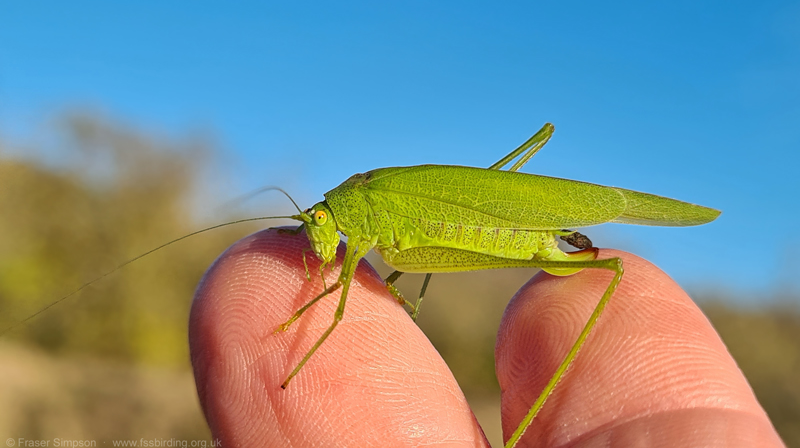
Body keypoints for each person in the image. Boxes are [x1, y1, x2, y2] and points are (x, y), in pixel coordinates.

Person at [189, 229, 784, 447]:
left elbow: (342, 311)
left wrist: (294, 324)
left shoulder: (364, 210)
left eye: (317, 222)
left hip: (489, 229)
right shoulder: (356, 217)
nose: (314, 234)